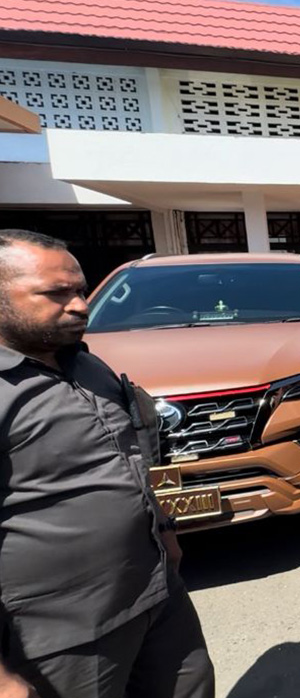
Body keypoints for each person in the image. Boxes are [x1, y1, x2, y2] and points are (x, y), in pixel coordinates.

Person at [0, 229, 215, 698]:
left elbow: (130, 458)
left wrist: (164, 528)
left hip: (156, 591)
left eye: (80, 289)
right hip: (63, 635)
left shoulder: (87, 366)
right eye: (57, 293)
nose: (79, 305)